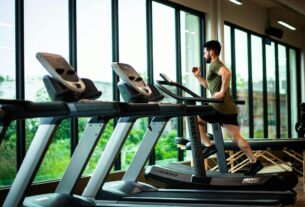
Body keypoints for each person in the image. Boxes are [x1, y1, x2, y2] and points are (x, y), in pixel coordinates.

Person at [192, 40, 263, 175]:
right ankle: (254, 161)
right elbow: (209, 86)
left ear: (211, 52)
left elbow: (227, 73)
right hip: (229, 108)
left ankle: (208, 146)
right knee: (236, 137)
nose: (204, 55)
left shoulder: (215, 64)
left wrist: (222, 92)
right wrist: (198, 77)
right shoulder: (215, 66)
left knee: (195, 117)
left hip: (219, 107)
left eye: (204, 52)